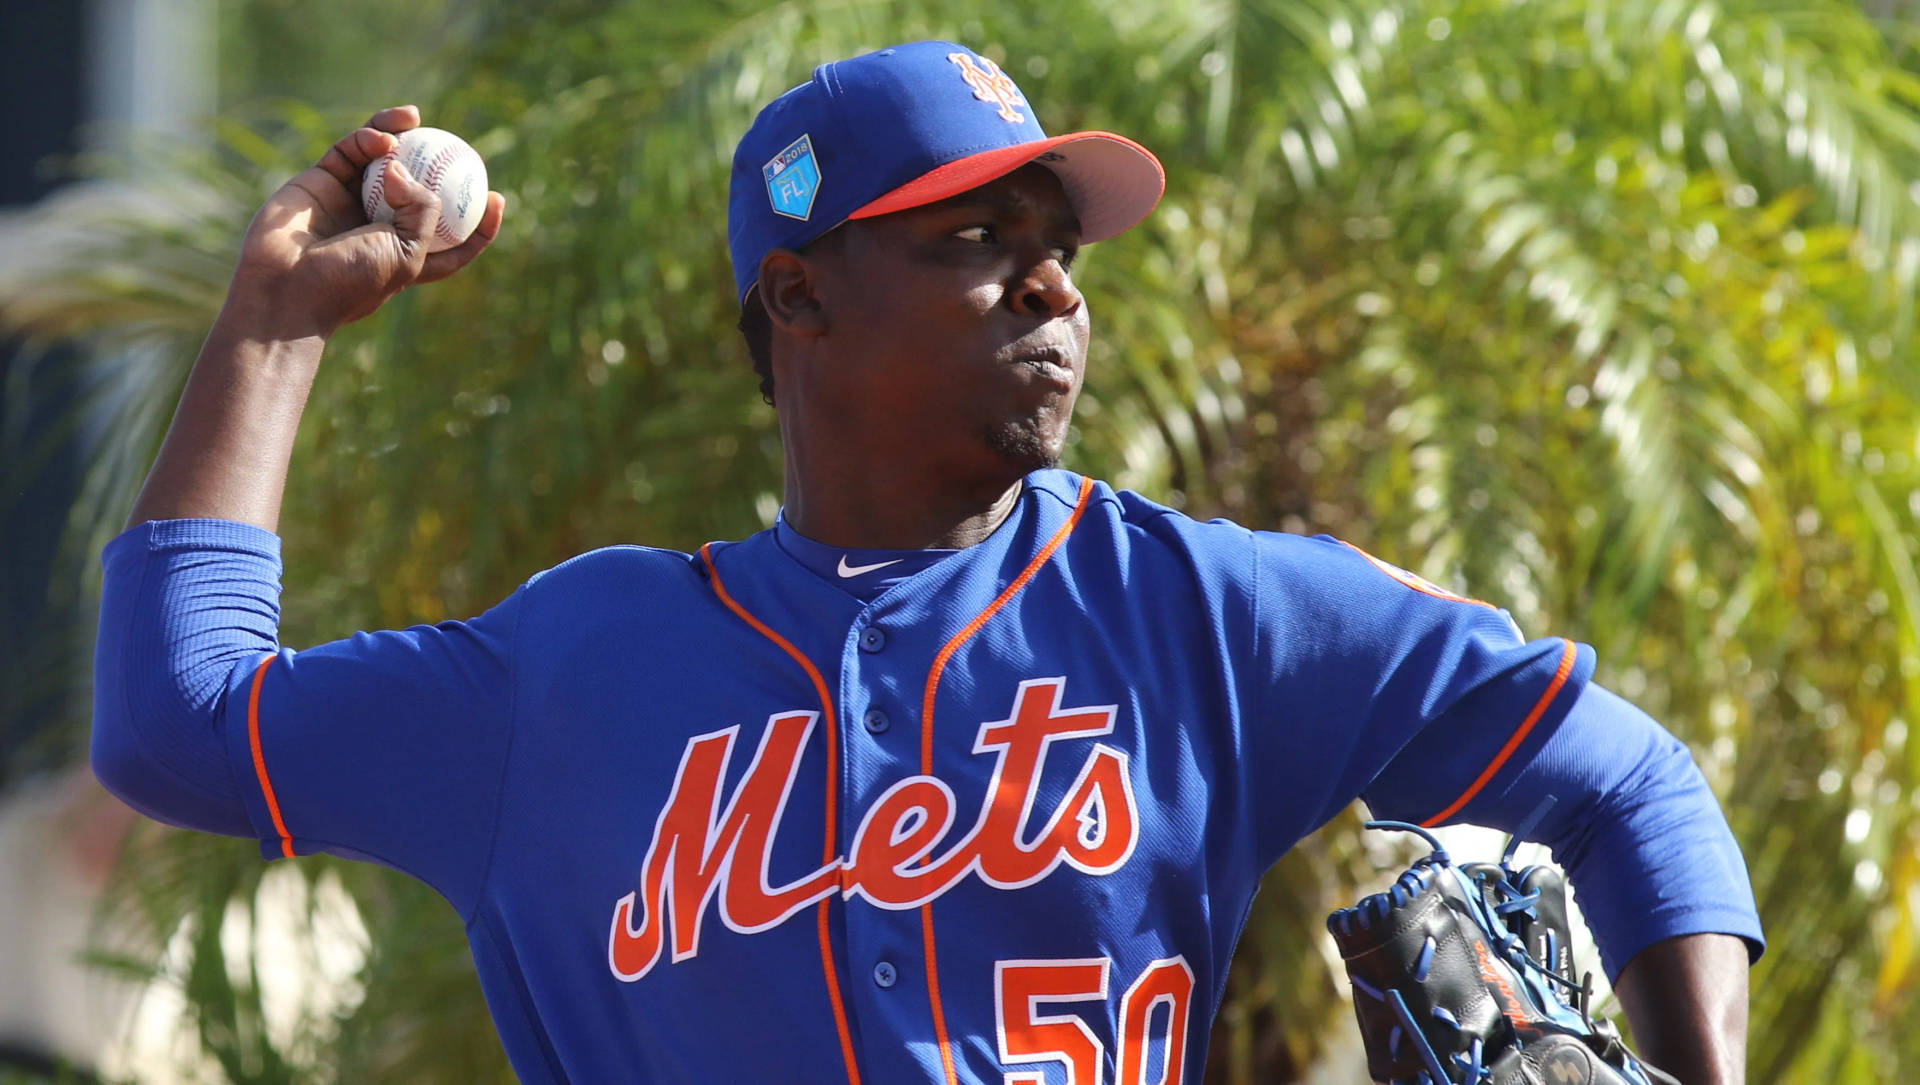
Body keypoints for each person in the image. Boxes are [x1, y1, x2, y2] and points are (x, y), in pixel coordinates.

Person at [92, 40, 1761, 1085]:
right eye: (977, 244)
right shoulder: (576, 673)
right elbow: (176, 718)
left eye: (1059, 251)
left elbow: (1633, 786)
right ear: (800, 300)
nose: (1053, 290)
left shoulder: (1209, 610)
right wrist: (273, 329)